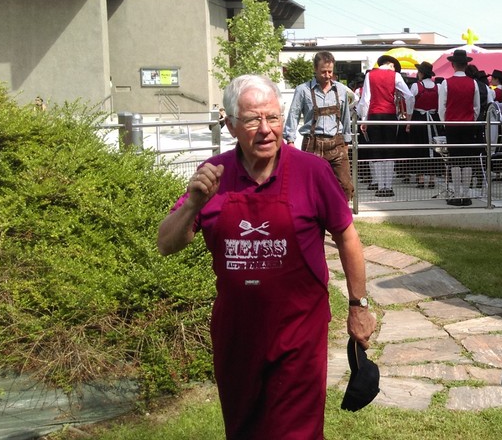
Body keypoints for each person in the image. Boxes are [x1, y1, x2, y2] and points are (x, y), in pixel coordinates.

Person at [156, 74, 376, 439]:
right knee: (243, 430)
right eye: (252, 120)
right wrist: (193, 204)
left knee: (296, 433)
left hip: (298, 334)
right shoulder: (214, 176)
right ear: (230, 125)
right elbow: (166, 243)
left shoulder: (312, 171)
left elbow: (347, 237)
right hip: (237, 335)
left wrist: (358, 306)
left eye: (272, 117)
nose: (265, 129)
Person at [283, 51, 355, 200]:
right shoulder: (302, 90)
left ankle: (340, 213)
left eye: (330, 71)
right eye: (323, 71)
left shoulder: (341, 90)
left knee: (345, 186)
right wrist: (290, 141)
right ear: (315, 69)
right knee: (310, 187)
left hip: (336, 144)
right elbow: (293, 115)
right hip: (312, 144)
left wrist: (347, 142)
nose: (327, 75)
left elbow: (346, 117)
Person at [356, 54, 414, 197]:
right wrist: (409, 117)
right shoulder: (395, 76)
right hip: (389, 115)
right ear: (390, 64)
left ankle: (380, 186)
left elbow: (366, 99)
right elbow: (409, 96)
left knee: (376, 150)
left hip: (374, 115)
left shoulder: (370, 75)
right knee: (389, 150)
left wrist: (364, 120)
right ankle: (388, 186)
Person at [438, 49, 480, 206]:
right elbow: (476, 107)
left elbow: (441, 107)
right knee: (467, 159)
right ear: (466, 64)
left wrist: (445, 122)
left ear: (453, 65)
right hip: (468, 124)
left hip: (452, 125)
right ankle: (466, 194)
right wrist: (471, 119)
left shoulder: (446, 83)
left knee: (455, 159)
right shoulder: (473, 83)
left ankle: (456, 194)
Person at [407, 61, 442, 189]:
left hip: (419, 118)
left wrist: (408, 122)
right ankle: (432, 178)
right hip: (434, 118)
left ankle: (421, 178)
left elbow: (410, 104)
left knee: (419, 146)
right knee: (435, 146)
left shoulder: (415, 86)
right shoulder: (438, 87)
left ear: (421, 73)